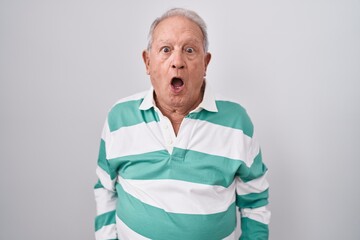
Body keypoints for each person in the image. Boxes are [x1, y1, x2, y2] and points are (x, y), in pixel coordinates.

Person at [94, 8, 270, 240]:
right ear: (148, 62)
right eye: (166, 50)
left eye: (189, 50)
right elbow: (106, 190)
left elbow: (254, 202)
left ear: (205, 63)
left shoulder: (237, 123)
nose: (177, 62)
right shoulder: (119, 118)